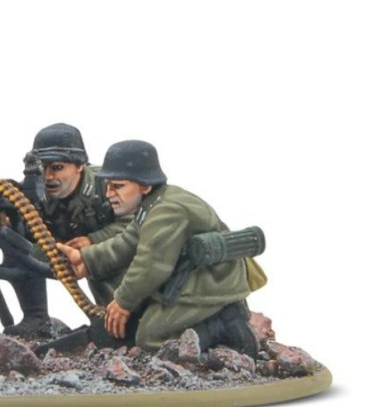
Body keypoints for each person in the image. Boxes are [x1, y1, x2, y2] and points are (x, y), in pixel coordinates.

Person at [57, 140, 258, 356]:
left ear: (145, 185)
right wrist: (87, 258)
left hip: (211, 281)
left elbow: (151, 265)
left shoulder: (166, 211)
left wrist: (123, 302)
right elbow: (127, 242)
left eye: (118, 186)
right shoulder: (151, 204)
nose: (109, 193)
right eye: (108, 185)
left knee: (151, 337)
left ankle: (223, 323)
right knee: (134, 314)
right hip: (187, 275)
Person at [4, 123, 131, 337]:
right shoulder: (32, 191)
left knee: (106, 271)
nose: (48, 177)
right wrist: (8, 226)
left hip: (109, 255)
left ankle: (123, 320)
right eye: (42, 168)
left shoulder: (107, 184)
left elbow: (135, 224)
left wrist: (94, 240)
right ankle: (35, 318)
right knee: (19, 252)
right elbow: (27, 234)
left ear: (79, 166)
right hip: (63, 254)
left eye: (57, 168)